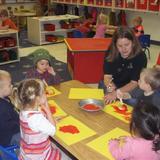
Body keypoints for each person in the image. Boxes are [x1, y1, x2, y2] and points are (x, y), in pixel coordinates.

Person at [13, 79, 61, 160]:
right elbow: (53, 130)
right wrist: (47, 108)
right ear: (37, 99)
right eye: (44, 93)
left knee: (54, 147)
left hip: (27, 151)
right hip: (38, 155)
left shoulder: (23, 111)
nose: (46, 95)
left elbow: (37, 122)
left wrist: (47, 118)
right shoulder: (36, 119)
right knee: (58, 154)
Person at [100, 26, 147, 104]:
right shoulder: (111, 52)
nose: (124, 49)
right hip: (114, 84)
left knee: (132, 102)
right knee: (105, 97)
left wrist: (116, 93)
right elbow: (107, 77)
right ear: (115, 45)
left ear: (133, 42)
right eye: (120, 46)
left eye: (127, 44)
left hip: (130, 87)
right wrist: (109, 86)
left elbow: (134, 83)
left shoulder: (140, 56)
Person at [0, 70, 20, 147]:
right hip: (10, 137)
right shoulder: (3, 108)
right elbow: (13, 127)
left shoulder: (4, 98)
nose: (12, 86)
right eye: (9, 85)